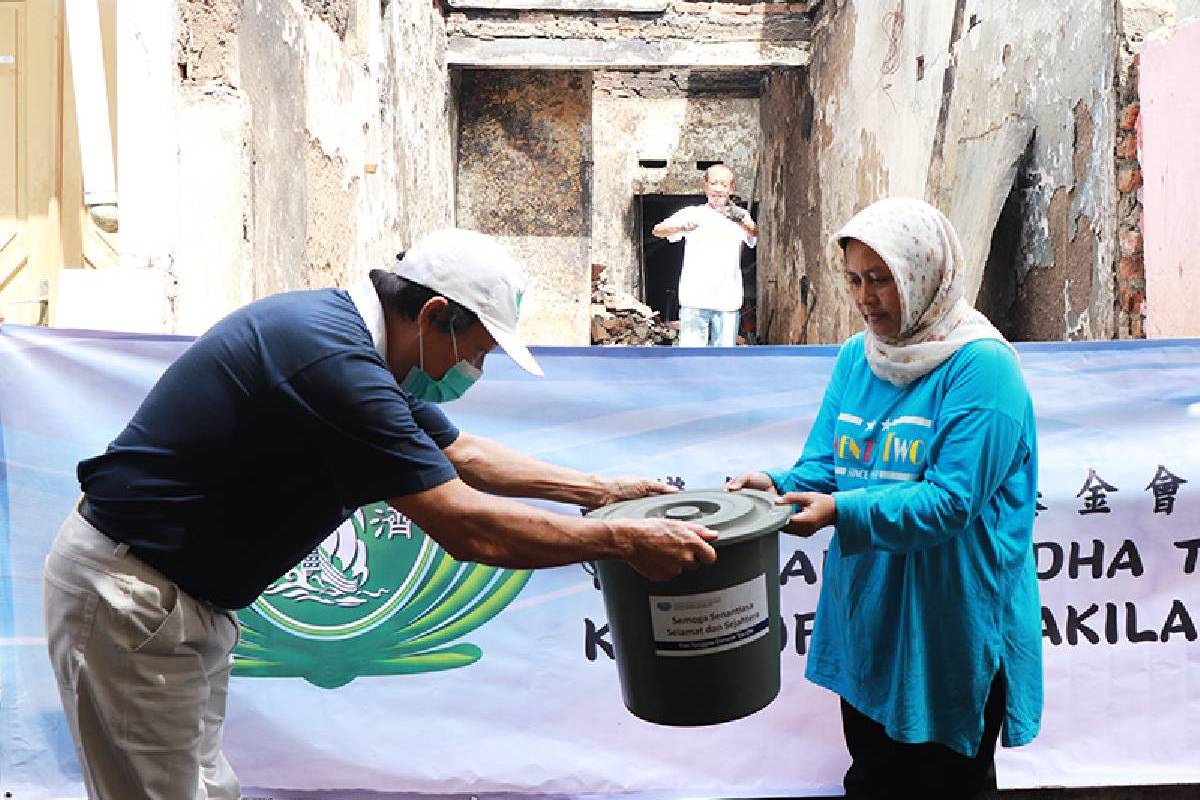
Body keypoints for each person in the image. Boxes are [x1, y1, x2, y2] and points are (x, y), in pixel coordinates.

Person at [43, 228, 718, 800]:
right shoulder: (330, 360)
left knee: (204, 788)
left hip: (180, 601)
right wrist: (619, 541)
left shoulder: (359, 352)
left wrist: (599, 490)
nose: (475, 371)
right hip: (133, 594)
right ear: (431, 317)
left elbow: (466, 454)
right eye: (477, 350)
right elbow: (467, 525)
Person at [727, 198, 1042, 799]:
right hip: (870, 609)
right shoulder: (858, 355)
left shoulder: (982, 367)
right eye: (854, 280)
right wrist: (776, 483)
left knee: (944, 783)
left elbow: (951, 502)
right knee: (872, 775)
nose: (867, 298)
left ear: (925, 276)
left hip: (949, 619)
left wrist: (840, 512)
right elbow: (825, 463)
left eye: (882, 280)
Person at [651, 164, 757, 347]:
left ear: (731, 188)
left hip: (727, 302)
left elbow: (754, 233)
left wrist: (736, 217)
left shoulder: (740, 216)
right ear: (705, 186)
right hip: (694, 300)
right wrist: (682, 227)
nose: (718, 188)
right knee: (691, 360)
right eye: (714, 183)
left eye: (723, 184)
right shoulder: (692, 213)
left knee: (724, 362)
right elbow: (658, 230)